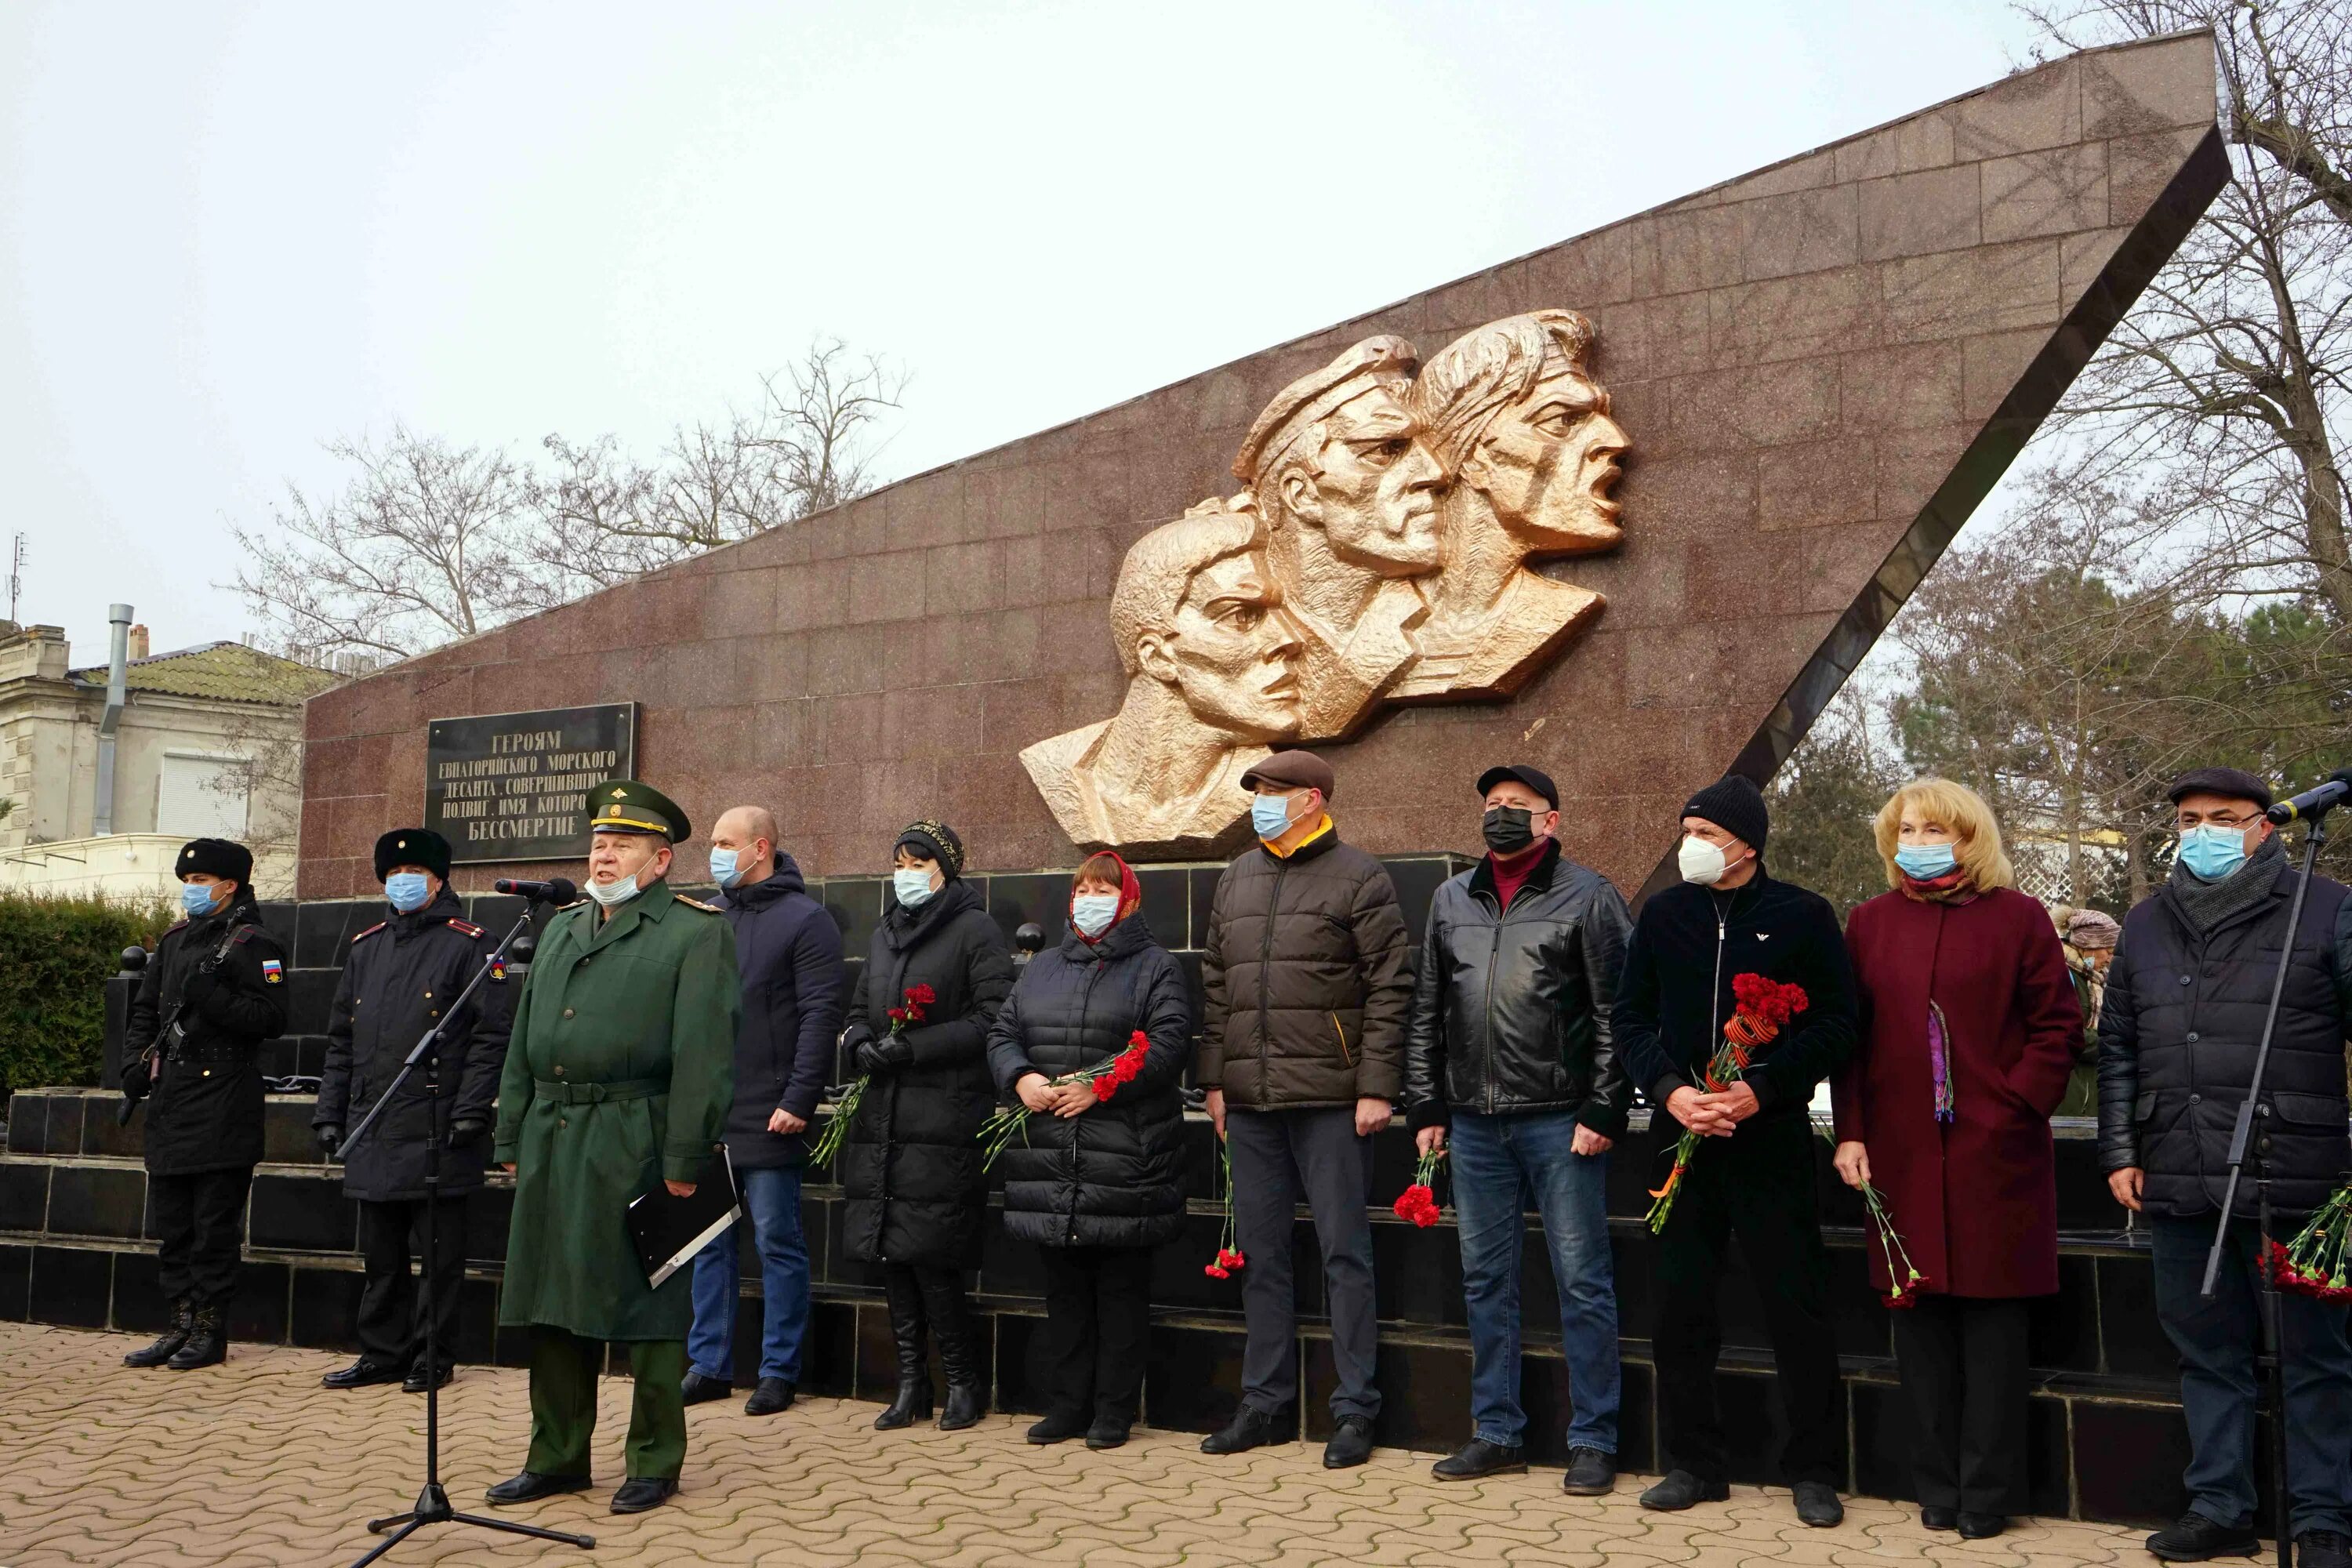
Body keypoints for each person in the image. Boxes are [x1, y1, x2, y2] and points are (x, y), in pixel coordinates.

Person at [2098, 767, 2352, 1568]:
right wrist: (2118, 1149)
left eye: (2226, 816)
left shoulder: (2327, 905)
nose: (2205, 829)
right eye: (2190, 817)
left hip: (2299, 1172)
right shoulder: (2144, 922)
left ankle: (2323, 1517)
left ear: (2267, 824)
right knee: (2208, 1350)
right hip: (2179, 1165)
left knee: (2317, 1357)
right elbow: (2120, 1048)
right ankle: (2221, 1504)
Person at [1833, 779, 2082, 1539]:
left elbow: (2057, 1025)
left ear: (1970, 836)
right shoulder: (1871, 922)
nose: (1919, 838)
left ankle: (1987, 1494)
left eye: (1935, 827)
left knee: (1994, 1332)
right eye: (1908, 827)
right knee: (1922, 1331)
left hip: (1994, 1158)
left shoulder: (2020, 918)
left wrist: (2012, 1104)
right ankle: (1935, 1486)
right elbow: (1852, 1037)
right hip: (1902, 1157)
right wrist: (1852, 1130)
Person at [485, 781, 737, 1517]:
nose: (604, 854)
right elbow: (524, 1043)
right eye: (598, 842)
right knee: (552, 1298)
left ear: (660, 862)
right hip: (556, 1135)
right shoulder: (562, 926)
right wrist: (511, 1131)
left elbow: (704, 1056)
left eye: (623, 844)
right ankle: (557, 1456)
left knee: (650, 1300)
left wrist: (685, 1158)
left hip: (639, 1134)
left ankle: (655, 1459)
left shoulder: (696, 932)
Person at [1615, 775, 1857, 1527]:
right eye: (1686, 830)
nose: (1692, 845)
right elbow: (1630, 1017)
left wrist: (1765, 1086)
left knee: (1795, 1305)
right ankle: (1694, 1462)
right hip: (1680, 1136)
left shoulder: (1804, 916)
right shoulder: (1662, 914)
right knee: (1680, 1306)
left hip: (1770, 1138)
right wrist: (1668, 1090)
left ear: (1747, 844)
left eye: (1707, 834)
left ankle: (1814, 1470)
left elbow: (1839, 1023)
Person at [1403, 763, 1632, 1494]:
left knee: (1582, 1282)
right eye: (1492, 805)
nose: (1501, 814)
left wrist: (1604, 1106)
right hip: (1472, 1123)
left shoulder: (1589, 896)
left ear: (1551, 821)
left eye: (1518, 806)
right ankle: (1496, 1432)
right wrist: (1427, 1105)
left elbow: (1614, 1015)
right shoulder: (1449, 899)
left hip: (1562, 1122)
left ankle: (1594, 1438)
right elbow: (1426, 1011)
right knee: (1484, 1282)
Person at [1195, 749, 1412, 1469]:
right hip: (1251, 1102)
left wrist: (1377, 1085)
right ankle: (1264, 1403)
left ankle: (1354, 1410)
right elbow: (1216, 985)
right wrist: (1216, 1082)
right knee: (1262, 1256)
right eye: (1256, 791)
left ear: (1313, 800)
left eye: (1273, 791)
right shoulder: (1237, 876)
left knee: (1345, 1253)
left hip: (1332, 1100)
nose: (1260, 801)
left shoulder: (1360, 876)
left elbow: (1391, 987)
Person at [985, 851, 1193, 1449]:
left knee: (1120, 1291)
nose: (1090, 898)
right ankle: (1068, 1405)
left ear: (1127, 900)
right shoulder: (1044, 966)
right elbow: (1003, 1032)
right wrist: (1021, 1077)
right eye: (1082, 888)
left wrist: (1099, 1086)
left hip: (1124, 1157)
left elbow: (1169, 1041)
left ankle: (1113, 1411)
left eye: (1103, 888)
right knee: (1065, 1292)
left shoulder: (1156, 968)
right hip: (1052, 1154)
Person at [314, 828, 513, 1394]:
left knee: (440, 1258)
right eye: (393, 875)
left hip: (436, 1126)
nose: (402, 883)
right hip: (373, 1124)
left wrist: (471, 1109)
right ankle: (381, 1352)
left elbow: (491, 1035)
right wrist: (330, 1112)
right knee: (381, 1255)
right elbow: (341, 1041)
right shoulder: (366, 946)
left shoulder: (471, 944)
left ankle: (434, 1355)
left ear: (438, 879)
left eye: (415, 875)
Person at [837, 818, 1014, 1433]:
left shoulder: (975, 931)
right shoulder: (887, 932)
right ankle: (912, 1383)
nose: (906, 874)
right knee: (892, 1254)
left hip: (943, 1113)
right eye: (900, 862)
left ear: (946, 869)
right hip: (885, 1114)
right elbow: (860, 1006)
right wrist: (861, 1041)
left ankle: (963, 1383)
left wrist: (914, 1048)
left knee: (932, 1254)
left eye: (919, 863)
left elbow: (993, 1018)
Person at [1020, 499, 1307, 856]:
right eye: (1241, 615)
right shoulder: (1057, 771)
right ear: (1156, 655)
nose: (1290, 640)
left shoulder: (1260, 790)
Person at [679, 806, 844, 1418]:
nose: (716, 853)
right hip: (708, 1111)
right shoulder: (706, 916)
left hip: (772, 1110)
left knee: (777, 1240)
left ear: (761, 847)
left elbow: (819, 1016)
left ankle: (778, 1370)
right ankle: (710, 1365)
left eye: (725, 843)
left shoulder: (806, 921)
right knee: (708, 1242)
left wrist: (798, 1099)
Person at [118, 837, 290, 1372]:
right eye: (187, 882)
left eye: (200, 883)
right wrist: (131, 1065)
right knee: (174, 1224)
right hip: (172, 1097)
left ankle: (210, 1331)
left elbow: (272, 1019)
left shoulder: (256, 944)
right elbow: (146, 1010)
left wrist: (212, 995)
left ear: (228, 885)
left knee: (213, 1225)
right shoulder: (173, 941)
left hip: (224, 1099)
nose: (191, 891)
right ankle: (179, 1324)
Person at [1394, 310, 1628, 700]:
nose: (1616, 440)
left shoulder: (1558, 614)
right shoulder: (1371, 633)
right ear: (1474, 457)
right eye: (1561, 421)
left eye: (1598, 416)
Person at [1231, 335, 1446, 739]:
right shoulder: (1235, 642)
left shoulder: (1444, 624)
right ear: (1302, 493)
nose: (1434, 472)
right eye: (1385, 451)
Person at [2053, 907, 2120, 1117]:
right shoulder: (2060, 976)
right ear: (2088, 945)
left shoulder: (2095, 981)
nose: (2110, 958)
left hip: (2087, 1092)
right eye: (2108, 951)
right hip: (2066, 1096)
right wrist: (2112, 1041)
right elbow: (2064, 1035)